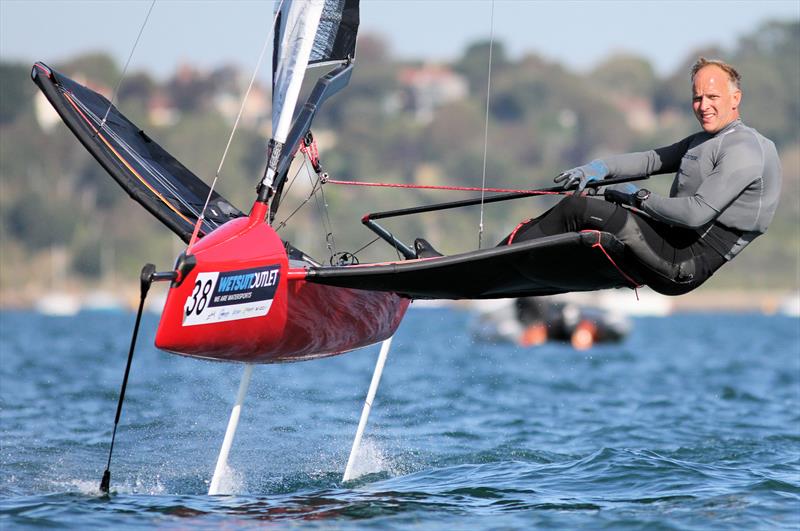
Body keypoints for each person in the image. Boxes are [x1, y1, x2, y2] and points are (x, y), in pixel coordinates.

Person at [499, 57, 782, 295]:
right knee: (591, 208)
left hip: (683, 264)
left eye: (712, 97)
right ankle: (514, 263)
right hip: (668, 243)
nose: (703, 105)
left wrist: (638, 196)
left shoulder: (746, 149)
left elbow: (695, 214)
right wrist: (598, 169)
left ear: (735, 98)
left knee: (580, 208)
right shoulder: (703, 140)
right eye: (697, 98)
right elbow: (650, 160)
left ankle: (502, 258)